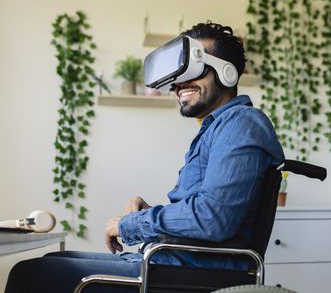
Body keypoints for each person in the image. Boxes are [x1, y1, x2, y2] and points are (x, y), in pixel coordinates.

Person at [5, 21, 284, 293]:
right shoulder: (219, 127)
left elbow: (213, 218)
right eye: (176, 76)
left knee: (31, 274)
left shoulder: (241, 123)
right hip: (174, 261)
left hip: (191, 274)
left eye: (194, 70)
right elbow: (205, 211)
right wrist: (151, 214)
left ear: (227, 73)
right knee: (53, 262)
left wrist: (129, 224)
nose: (178, 84)